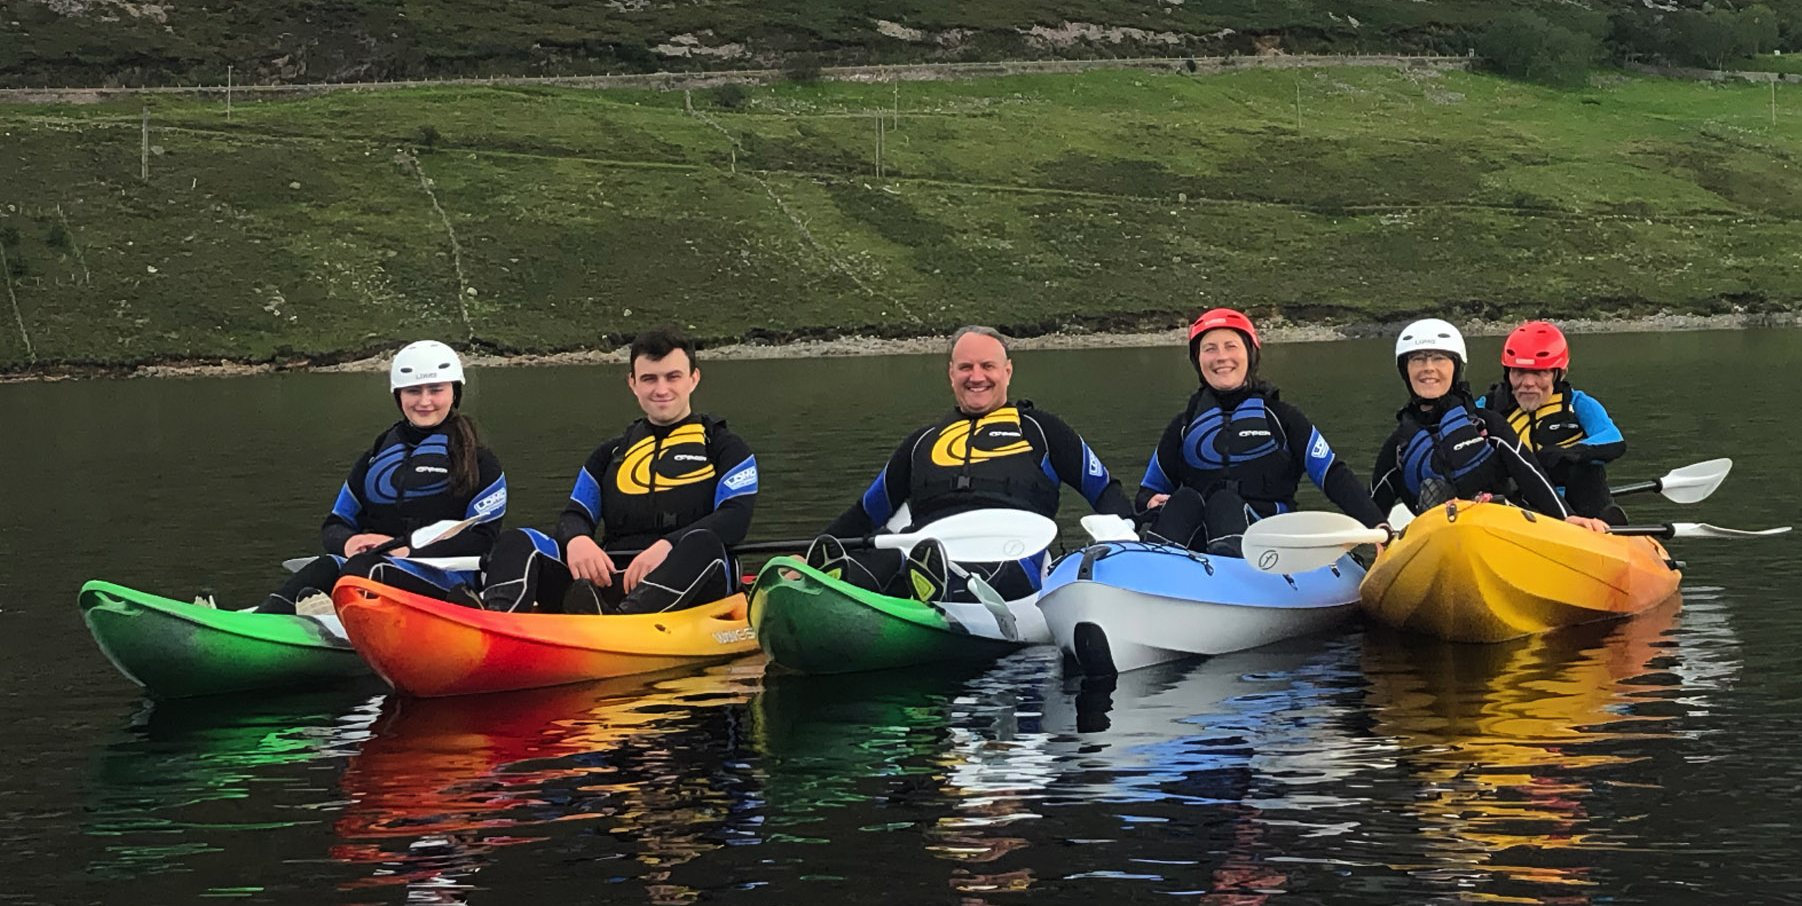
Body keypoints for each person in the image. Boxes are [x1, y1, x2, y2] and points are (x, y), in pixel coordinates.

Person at [807, 326, 1133, 601]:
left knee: (975, 570)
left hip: (1010, 554)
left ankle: (935, 586)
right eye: (965, 368)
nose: (976, 377)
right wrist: (805, 556)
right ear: (951, 374)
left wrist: (1130, 547)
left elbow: (1104, 491)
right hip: (925, 550)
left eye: (987, 366)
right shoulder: (923, 442)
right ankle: (837, 584)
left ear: (1007, 371)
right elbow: (866, 512)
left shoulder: (1043, 431)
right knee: (885, 557)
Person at [479, 326, 757, 615]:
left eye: (672, 377)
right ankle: (497, 618)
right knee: (519, 539)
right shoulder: (609, 454)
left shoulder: (726, 448)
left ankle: (619, 622)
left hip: (695, 581)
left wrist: (667, 546)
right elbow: (575, 515)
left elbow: (735, 518)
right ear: (633, 384)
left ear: (693, 379)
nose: (661, 390)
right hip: (613, 580)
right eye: (649, 379)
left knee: (703, 543)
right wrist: (578, 540)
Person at [257, 340, 507, 613]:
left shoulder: (480, 460)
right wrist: (350, 542)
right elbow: (336, 523)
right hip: (372, 568)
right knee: (329, 564)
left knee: (364, 568)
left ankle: (337, 615)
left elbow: (484, 539)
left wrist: (407, 550)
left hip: (446, 579)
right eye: (413, 391)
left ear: (454, 393)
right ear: (399, 395)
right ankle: (257, 623)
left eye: (436, 390)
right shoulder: (377, 455)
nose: (425, 401)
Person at [1137, 307, 1385, 555]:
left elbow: (1333, 475)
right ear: (1198, 360)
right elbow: (1147, 492)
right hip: (1201, 545)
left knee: (1224, 502)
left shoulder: (1282, 418)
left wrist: (1376, 524)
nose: (1221, 357)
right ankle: (1153, 569)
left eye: (1231, 346)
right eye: (1209, 348)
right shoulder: (1183, 426)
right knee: (1185, 500)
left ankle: (1233, 572)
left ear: (1250, 354)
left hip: (1270, 542)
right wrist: (1149, 500)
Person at [1369, 318, 1588, 525]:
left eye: (1439, 359)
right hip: (1437, 542)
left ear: (1455, 367)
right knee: (1431, 489)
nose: (1428, 367)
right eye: (1418, 359)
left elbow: (1531, 474)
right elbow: (1371, 513)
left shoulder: (1488, 425)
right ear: (1405, 370)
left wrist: (1567, 517)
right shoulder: (1399, 446)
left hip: (1500, 531)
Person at [1478, 320, 1628, 522]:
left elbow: (1613, 440)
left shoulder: (1578, 403)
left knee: (1585, 469)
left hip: (1577, 504)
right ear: (1508, 374)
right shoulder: (1488, 407)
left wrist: (1568, 454)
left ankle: (1604, 526)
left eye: (1540, 373)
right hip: (1519, 507)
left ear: (1558, 374)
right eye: (1519, 373)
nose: (1528, 383)